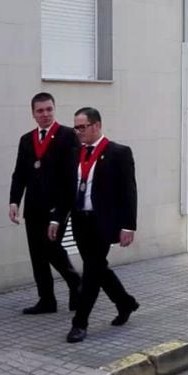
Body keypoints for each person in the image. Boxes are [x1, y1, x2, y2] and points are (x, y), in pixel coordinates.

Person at [48, 107, 139, 343]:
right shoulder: (74, 153)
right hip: (80, 221)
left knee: (90, 273)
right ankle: (125, 302)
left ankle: (79, 323)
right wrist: (57, 217)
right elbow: (65, 191)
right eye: (76, 127)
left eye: (82, 127)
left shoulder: (118, 152)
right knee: (97, 267)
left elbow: (129, 192)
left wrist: (128, 226)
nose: (78, 132)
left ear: (96, 125)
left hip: (103, 223)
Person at [9, 92, 82, 314]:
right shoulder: (26, 139)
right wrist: (14, 201)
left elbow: (71, 178)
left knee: (51, 248)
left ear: (54, 109)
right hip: (33, 206)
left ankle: (75, 281)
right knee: (37, 255)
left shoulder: (68, 136)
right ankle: (47, 300)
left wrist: (59, 214)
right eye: (40, 111)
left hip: (57, 206)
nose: (45, 114)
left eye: (49, 109)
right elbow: (19, 174)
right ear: (33, 114)